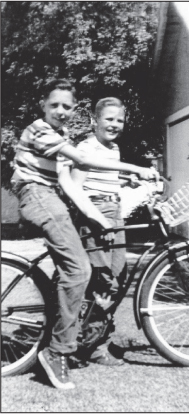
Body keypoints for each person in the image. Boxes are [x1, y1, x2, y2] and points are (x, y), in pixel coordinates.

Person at [11, 79, 159, 390]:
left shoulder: (59, 135)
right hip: (36, 194)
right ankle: (58, 351)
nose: (61, 111)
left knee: (78, 271)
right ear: (42, 104)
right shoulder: (40, 130)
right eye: (55, 105)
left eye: (67, 106)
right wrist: (136, 169)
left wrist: (95, 215)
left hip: (49, 194)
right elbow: (82, 162)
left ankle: (69, 339)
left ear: (74, 109)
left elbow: (65, 182)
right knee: (80, 270)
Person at [70, 97, 157, 366]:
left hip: (114, 211)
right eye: (108, 119)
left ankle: (97, 339)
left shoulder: (113, 148)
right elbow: (77, 185)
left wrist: (124, 179)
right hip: (95, 215)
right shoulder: (86, 147)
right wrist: (96, 220)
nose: (114, 125)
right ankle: (90, 346)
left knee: (117, 277)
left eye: (119, 120)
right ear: (94, 121)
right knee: (102, 282)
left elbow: (103, 175)